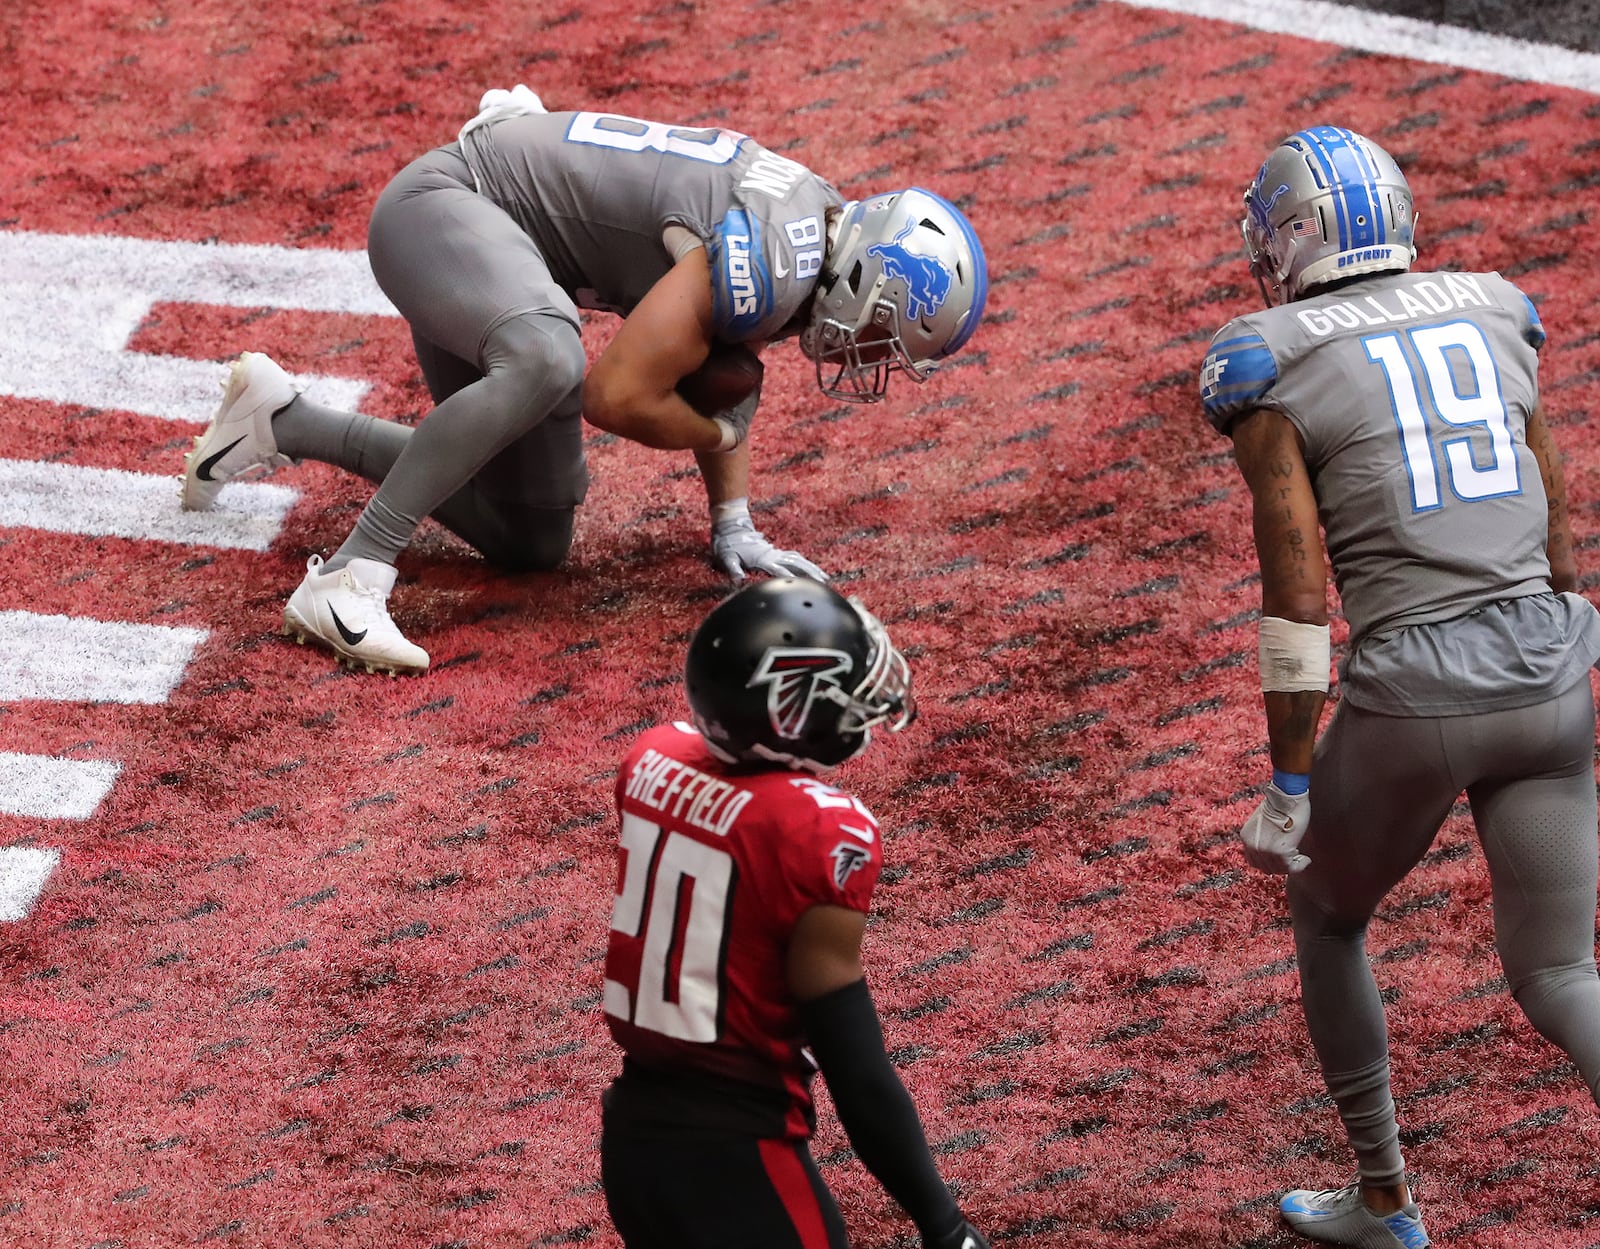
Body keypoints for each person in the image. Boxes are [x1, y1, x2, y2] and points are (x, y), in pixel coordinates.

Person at [179, 86, 988, 675]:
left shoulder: (802, 238)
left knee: (529, 538)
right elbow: (619, 393)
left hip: (500, 250)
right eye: (886, 331)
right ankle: (355, 573)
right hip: (444, 209)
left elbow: (723, 361)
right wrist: (711, 432)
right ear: (871, 280)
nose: (871, 354)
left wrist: (732, 520)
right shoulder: (779, 258)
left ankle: (283, 419)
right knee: (549, 357)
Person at [1200, 124, 1600, 1249]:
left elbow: (1296, 592)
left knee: (1326, 915)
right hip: (1548, 663)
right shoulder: (1491, 306)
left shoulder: (1265, 354)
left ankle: (1383, 1200)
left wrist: (1286, 780)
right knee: (1563, 968)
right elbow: (1555, 526)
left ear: (1291, 237)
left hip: (1418, 689)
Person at [599, 577, 988, 1249]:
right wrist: (943, 1222)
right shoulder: (818, 832)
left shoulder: (650, 759)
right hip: (739, 1159)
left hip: (632, 1138)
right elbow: (857, 1071)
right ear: (786, 710)